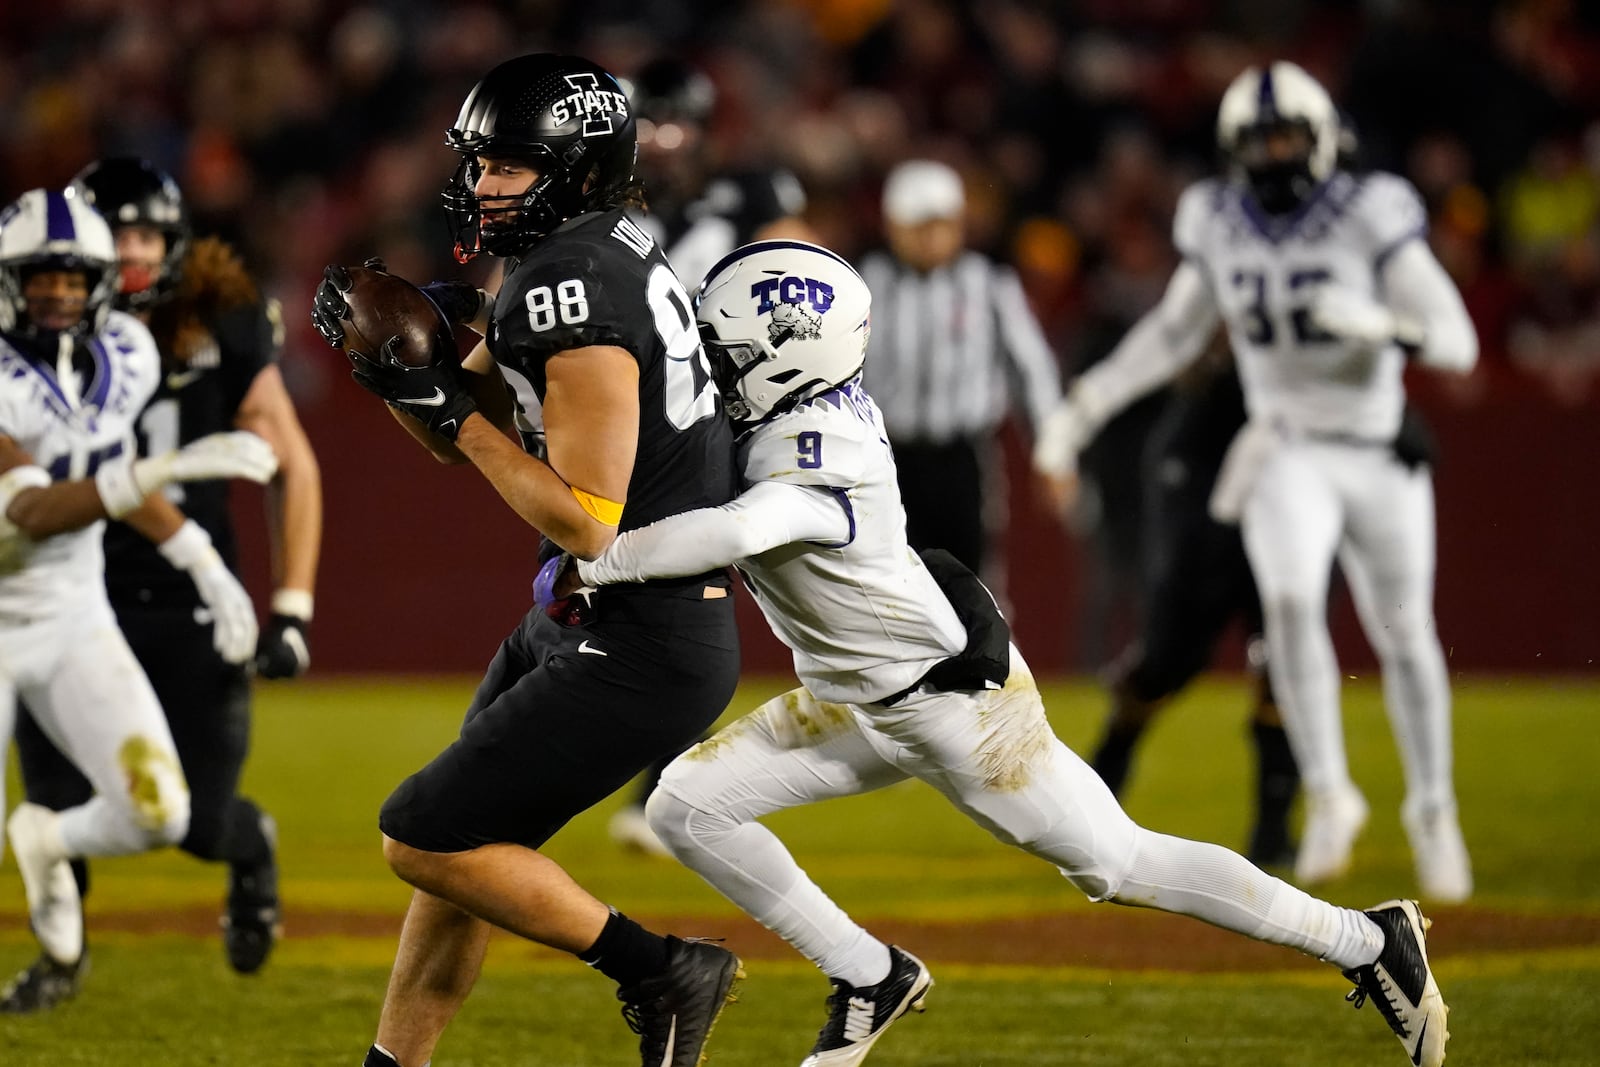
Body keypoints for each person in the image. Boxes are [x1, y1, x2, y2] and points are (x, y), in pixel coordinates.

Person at [552, 238, 1449, 1067]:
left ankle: (1368, 940)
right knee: (685, 808)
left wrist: (603, 560)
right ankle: (870, 973)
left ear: (789, 352)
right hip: (854, 695)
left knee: (1119, 865)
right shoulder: (784, 402)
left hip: (949, 705)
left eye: (728, 353)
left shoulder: (817, 445)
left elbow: (744, 525)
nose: (712, 369)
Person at [309, 53, 744, 1067]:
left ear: (578, 166)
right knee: (456, 852)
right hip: (598, 614)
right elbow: (473, 419)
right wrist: (403, 376)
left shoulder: (573, 280)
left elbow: (585, 513)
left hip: (644, 625)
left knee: (421, 831)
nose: (481, 185)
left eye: (507, 165)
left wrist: (452, 410)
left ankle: (661, 967)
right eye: (479, 163)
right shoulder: (595, 252)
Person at [1032, 61, 1477, 902]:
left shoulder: (1370, 212)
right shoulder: (1218, 219)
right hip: (1284, 447)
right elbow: (1170, 335)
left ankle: (1432, 809)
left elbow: (1457, 343)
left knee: (1405, 629)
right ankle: (1329, 792)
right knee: (1291, 606)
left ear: (1321, 139)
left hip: (1375, 444)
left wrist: (1383, 325)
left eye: (1285, 138)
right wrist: (1084, 407)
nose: (1272, 155)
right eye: (1257, 140)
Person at [2, 157, 324, 1006]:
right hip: (41, 588)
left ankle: (241, 847)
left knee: (182, 817)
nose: (61, 296)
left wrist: (227, 575)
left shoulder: (138, 348)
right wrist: (171, 469)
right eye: (45, 278)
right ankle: (59, 958)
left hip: (110, 608)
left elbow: (278, 461)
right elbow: (33, 506)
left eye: (77, 278)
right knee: (61, 800)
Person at [601, 54, 822, 857]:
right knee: (643, 593)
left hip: (726, 422)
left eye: (674, 124)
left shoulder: (752, 194)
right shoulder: (604, 207)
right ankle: (663, 772)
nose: (662, 142)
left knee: (684, 592)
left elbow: (805, 286)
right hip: (634, 422)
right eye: (647, 126)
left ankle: (670, 778)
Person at [1042, 353, 1301, 867]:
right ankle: (1107, 769)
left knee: (1286, 655)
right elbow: (1169, 340)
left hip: (1292, 467)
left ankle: (1273, 829)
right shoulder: (1222, 278)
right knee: (1170, 658)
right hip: (1205, 459)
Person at [857, 158, 1062, 586]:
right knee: (889, 577)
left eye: (941, 224)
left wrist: (1053, 451)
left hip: (964, 456)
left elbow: (1032, 367)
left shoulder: (988, 284)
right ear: (894, 225)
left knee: (971, 579)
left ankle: (975, 656)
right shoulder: (864, 285)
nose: (932, 237)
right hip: (886, 457)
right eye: (919, 225)